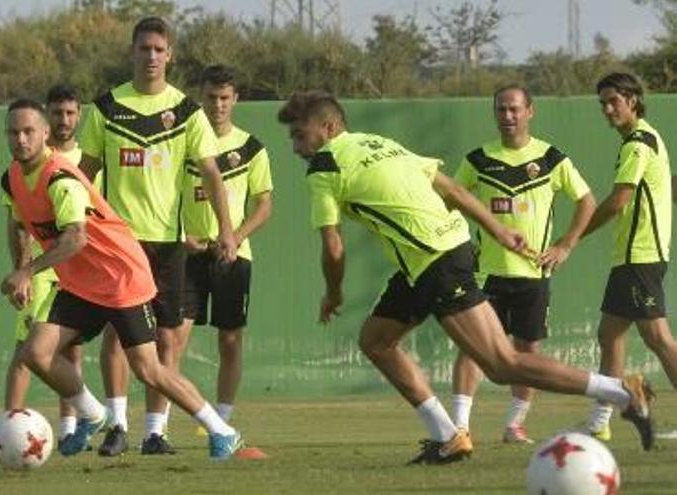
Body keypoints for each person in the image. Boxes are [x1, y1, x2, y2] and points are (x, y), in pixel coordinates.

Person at [276, 90, 655, 464]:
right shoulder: (382, 143)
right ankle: (449, 436)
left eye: (300, 135)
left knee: (503, 363)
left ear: (327, 127)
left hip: (436, 262)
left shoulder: (324, 167)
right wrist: (499, 231)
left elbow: (334, 246)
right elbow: (452, 189)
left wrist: (334, 292)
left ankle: (622, 391)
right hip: (430, 260)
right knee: (376, 341)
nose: (296, 146)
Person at [0, 98, 243, 460]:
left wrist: (27, 271)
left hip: (120, 275)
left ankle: (222, 430)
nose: (21, 139)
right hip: (81, 281)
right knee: (35, 353)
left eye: (29, 131)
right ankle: (93, 415)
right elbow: (21, 225)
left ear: (46, 134)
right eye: (13, 132)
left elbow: (76, 237)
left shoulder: (60, 178)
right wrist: (22, 269)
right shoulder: (13, 178)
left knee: (148, 369)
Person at [77, 16, 237, 456]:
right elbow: (84, 176)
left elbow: (211, 173)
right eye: (144, 48)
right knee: (116, 335)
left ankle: (155, 432)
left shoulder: (186, 112)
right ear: (132, 51)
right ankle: (117, 426)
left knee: (166, 339)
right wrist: (75, 226)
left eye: (158, 50)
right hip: (118, 243)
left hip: (169, 242)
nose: (151, 57)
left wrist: (225, 229)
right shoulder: (107, 107)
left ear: (170, 55)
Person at [449, 85, 596, 444]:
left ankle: (514, 425)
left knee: (527, 352)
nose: (508, 116)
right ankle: (459, 427)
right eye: (501, 109)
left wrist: (564, 245)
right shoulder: (478, 160)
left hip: (533, 275)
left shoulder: (550, 159)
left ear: (530, 111)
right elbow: (449, 200)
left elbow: (587, 201)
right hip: (486, 275)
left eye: (515, 109)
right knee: (472, 348)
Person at [170, 65, 273, 432]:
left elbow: (264, 204)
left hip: (233, 257)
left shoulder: (251, 147)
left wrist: (237, 236)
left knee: (230, 340)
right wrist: (183, 237)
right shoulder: (183, 143)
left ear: (236, 99)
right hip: (189, 254)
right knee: (173, 339)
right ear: (201, 97)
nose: (217, 105)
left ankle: (222, 420)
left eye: (224, 98)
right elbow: (166, 194)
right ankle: (159, 426)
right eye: (211, 97)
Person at [580, 72, 677, 442]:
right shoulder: (642, 139)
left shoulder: (638, 142)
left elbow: (619, 200)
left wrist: (573, 237)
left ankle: (621, 406)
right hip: (630, 257)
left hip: (641, 255)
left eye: (613, 101)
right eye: (602, 103)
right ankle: (604, 418)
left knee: (658, 338)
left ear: (632, 101)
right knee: (609, 334)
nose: (607, 110)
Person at [3, 83, 95, 444]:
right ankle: (9, 429)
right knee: (25, 353)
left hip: (78, 270)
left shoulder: (88, 162)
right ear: (46, 118)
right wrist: (22, 270)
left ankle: (73, 429)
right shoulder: (24, 166)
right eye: (57, 112)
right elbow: (17, 223)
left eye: (70, 112)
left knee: (71, 352)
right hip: (41, 270)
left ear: (79, 115)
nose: (64, 119)